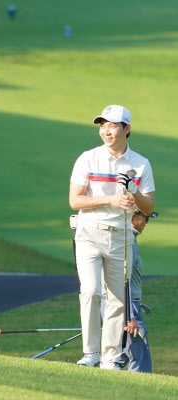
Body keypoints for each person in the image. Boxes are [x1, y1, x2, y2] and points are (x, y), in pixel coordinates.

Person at [69, 104, 155, 370]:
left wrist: (133, 194)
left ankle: (110, 358)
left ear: (126, 129)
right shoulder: (88, 158)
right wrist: (112, 199)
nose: (106, 130)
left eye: (112, 125)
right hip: (89, 233)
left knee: (118, 298)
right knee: (91, 290)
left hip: (121, 237)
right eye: (102, 125)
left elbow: (148, 207)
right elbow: (75, 200)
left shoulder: (140, 164)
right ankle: (90, 353)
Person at [119, 210, 157, 372]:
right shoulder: (127, 242)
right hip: (127, 305)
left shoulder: (128, 239)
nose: (147, 223)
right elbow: (122, 282)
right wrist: (130, 316)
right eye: (146, 218)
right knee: (139, 353)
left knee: (118, 355)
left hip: (125, 304)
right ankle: (141, 389)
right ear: (133, 217)